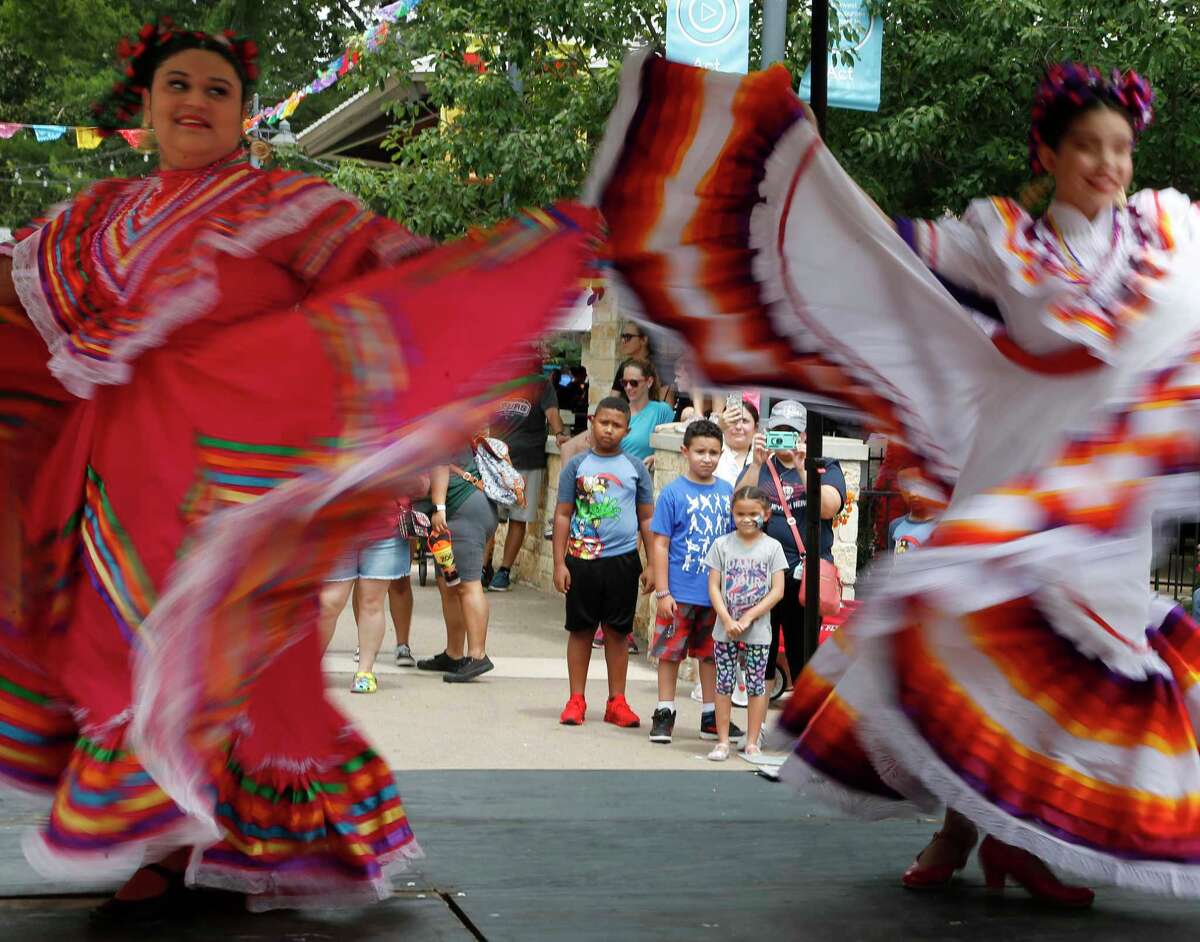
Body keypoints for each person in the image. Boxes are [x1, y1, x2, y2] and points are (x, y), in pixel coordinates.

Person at [0, 19, 597, 919]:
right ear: (148, 104)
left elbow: (393, 278)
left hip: (241, 479)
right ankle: (172, 838)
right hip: (121, 480)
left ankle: (216, 842)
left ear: (243, 114)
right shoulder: (94, 220)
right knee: (113, 650)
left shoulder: (291, 206)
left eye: (217, 89)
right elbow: (17, 306)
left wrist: (491, 288)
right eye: (179, 85)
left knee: (243, 667)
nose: (195, 100)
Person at [593, 51, 1200, 904]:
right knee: (976, 647)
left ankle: (1012, 843)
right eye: (1091, 146)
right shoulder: (1005, 239)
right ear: (1051, 155)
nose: (1110, 164)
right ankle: (963, 832)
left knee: (1068, 678)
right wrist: (813, 183)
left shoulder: (1168, 241)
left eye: (1121, 148)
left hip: (1101, 504)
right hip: (1012, 476)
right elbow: (895, 250)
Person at [553, 397, 654, 727]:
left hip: (622, 561)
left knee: (617, 632)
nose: (609, 430)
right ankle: (576, 699)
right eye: (604, 423)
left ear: (627, 429)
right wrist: (559, 563)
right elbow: (563, 515)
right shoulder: (576, 466)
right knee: (580, 630)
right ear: (593, 421)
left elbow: (647, 519)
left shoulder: (635, 469)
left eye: (617, 425)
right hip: (582, 559)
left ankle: (617, 701)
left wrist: (652, 563)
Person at [736, 400, 846, 694]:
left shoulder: (825, 466)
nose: (783, 438)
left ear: (804, 435)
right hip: (763, 574)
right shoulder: (758, 467)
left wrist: (801, 466)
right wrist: (757, 463)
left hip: (804, 577)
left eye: (791, 432)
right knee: (762, 656)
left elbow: (828, 508)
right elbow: (738, 505)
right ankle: (756, 731)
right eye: (778, 431)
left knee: (805, 658)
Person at [647, 419, 744, 745]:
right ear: (685, 451)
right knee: (670, 654)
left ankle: (710, 716)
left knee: (711, 656)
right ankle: (664, 712)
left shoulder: (726, 493)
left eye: (714, 452)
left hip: (715, 596)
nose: (707, 458)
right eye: (700, 451)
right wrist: (663, 591)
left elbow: (734, 541)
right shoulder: (673, 493)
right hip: (678, 592)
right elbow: (660, 543)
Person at [704, 487, 787, 761]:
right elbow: (714, 587)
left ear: (766, 514)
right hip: (725, 629)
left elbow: (777, 591)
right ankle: (724, 740)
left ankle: (752, 741)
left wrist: (749, 616)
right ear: (732, 513)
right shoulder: (722, 545)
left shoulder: (772, 547)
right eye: (740, 513)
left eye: (753, 514)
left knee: (756, 685)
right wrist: (727, 618)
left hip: (758, 631)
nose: (746, 519)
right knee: (723, 683)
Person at [417, 447, 498, 682]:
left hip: (463, 509)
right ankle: (453, 654)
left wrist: (439, 507)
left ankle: (477, 655)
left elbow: (440, 460)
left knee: (467, 585)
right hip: (455, 512)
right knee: (449, 586)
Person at [485, 371, 570, 591]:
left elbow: (552, 414)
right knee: (493, 517)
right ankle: (486, 568)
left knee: (514, 517)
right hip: (499, 459)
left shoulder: (540, 384)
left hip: (525, 459)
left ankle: (501, 570)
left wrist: (560, 432)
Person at [319, 502, 413, 693]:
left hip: (385, 526)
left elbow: (421, 482)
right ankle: (306, 668)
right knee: (330, 602)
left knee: (372, 602)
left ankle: (365, 671)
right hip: (339, 524)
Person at [616, 358, 676, 467]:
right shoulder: (617, 413)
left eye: (634, 383)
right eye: (624, 383)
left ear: (649, 382)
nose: (628, 387)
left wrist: (657, 458)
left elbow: (674, 446)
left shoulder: (662, 411)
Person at [888, 468, 946, 555]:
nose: (913, 493)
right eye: (907, 486)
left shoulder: (943, 526)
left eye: (918, 485)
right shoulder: (896, 526)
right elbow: (897, 560)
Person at [714, 397, 758, 488]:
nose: (738, 427)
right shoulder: (712, 450)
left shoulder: (764, 453)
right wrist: (717, 428)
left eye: (745, 421)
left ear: (756, 428)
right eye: (733, 421)